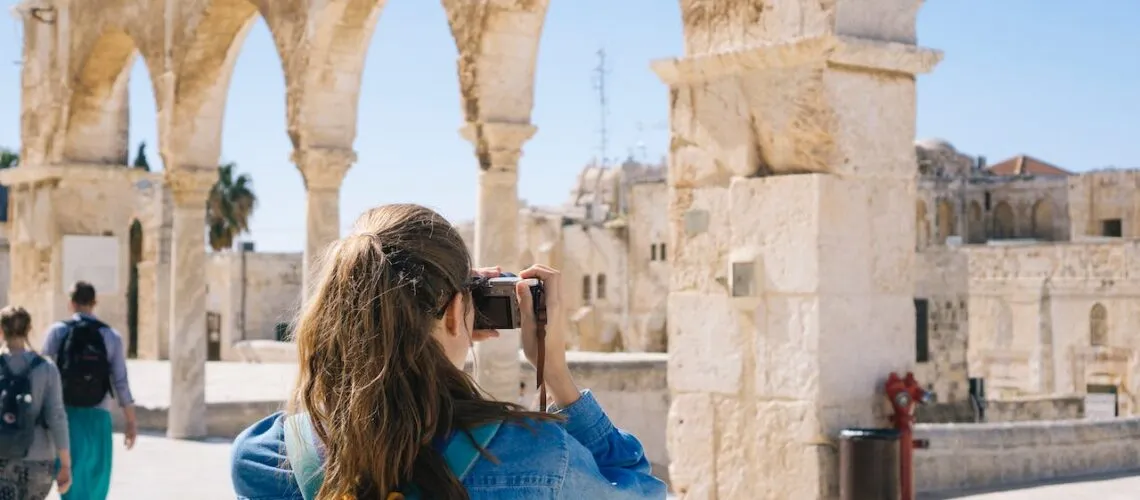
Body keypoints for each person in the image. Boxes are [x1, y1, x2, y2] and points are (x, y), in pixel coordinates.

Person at [231, 204, 666, 499]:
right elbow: (641, 489)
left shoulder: (266, 457)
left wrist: (450, 309)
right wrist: (556, 374)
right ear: (459, 311)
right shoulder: (539, 456)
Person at [42, 281, 137, 500]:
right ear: (94, 303)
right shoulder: (111, 336)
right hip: (99, 416)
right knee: (96, 481)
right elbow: (121, 382)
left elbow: (44, 376)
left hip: (66, 417)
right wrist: (131, 421)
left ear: (71, 303)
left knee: (70, 481)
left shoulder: (57, 332)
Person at [0, 306, 71, 499]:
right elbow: (57, 416)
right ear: (29, 329)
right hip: (38, 458)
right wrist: (65, 464)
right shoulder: (46, 368)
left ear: (1, 330)